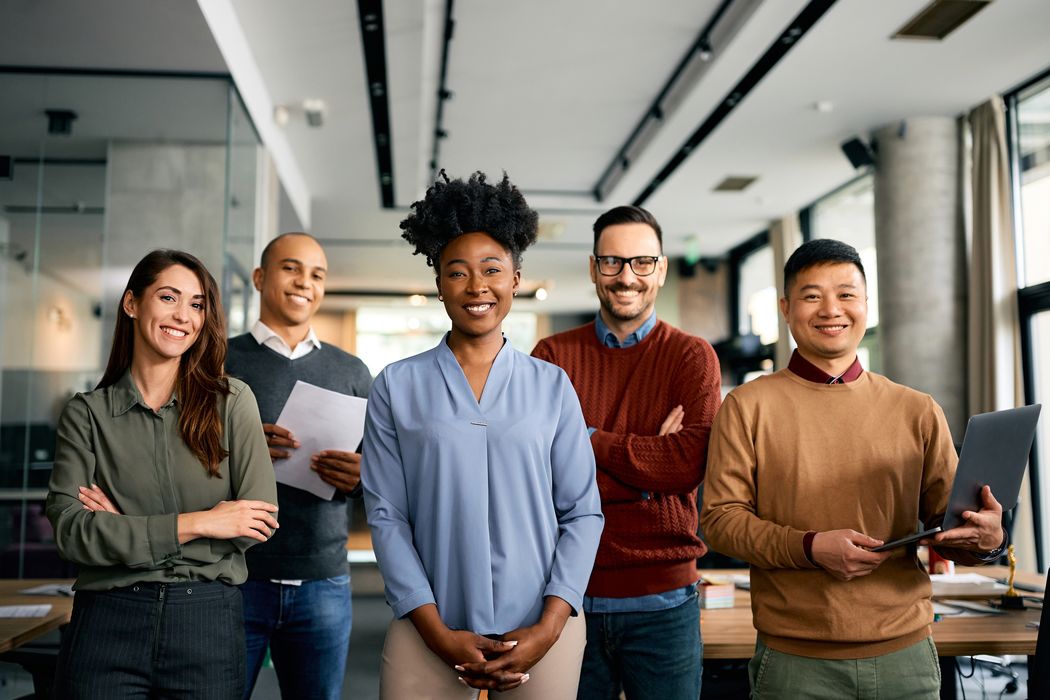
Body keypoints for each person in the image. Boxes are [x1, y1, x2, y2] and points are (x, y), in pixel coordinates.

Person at [699, 238, 1007, 699]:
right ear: (786, 307)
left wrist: (989, 541)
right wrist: (809, 547)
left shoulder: (917, 410)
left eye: (845, 294)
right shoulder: (746, 406)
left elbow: (952, 527)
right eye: (811, 295)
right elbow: (720, 523)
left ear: (866, 303)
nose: (830, 310)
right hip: (795, 664)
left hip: (907, 657)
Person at [362, 171, 604, 699]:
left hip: (541, 625)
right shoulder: (397, 386)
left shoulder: (552, 385)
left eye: (492, 269)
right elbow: (386, 515)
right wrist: (435, 632)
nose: (477, 287)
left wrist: (549, 625)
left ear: (516, 278)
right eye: (458, 272)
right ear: (439, 283)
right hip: (429, 621)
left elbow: (582, 511)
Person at [46, 249, 279, 699]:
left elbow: (256, 522)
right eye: (168, 297)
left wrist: (122, 528)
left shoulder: (232, 402)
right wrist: (201, 522)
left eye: (196, 304)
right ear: (132, 304)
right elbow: (74, 534)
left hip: (206, 624)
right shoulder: (87, 415)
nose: (183, 316)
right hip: (107, 624)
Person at [531, 205, 721, 700]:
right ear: (594, 269)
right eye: (612, 262)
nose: (626, 277)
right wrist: (647, 470)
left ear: (660, 269)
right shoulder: (550, 357)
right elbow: (537, 477)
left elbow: (686, 466)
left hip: (664, 600)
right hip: (567, 594)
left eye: (641, 262)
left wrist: (586, 439)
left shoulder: (690, 356)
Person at [224, 232, 373, 699]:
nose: (304, 282)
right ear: (260, 277)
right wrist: (239, 451)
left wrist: (361, 478)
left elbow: (383, 474)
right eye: (291, 268)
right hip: (234, 575)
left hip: (323, 580)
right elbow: (180, 457)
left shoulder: (352, 371)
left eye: (316, 274)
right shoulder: (217, 360)